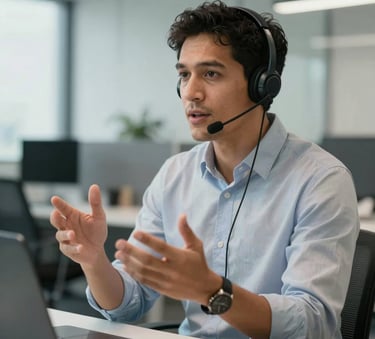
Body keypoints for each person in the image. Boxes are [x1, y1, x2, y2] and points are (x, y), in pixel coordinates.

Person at [50, 1, 360, 338]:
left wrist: (213, 291)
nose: (191, 93)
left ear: (262, 85)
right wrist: (94, 260)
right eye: (184, 74)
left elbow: (313, 324)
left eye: (211, 74)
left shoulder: (321, 180)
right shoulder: (175, 175)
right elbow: (130, 302)